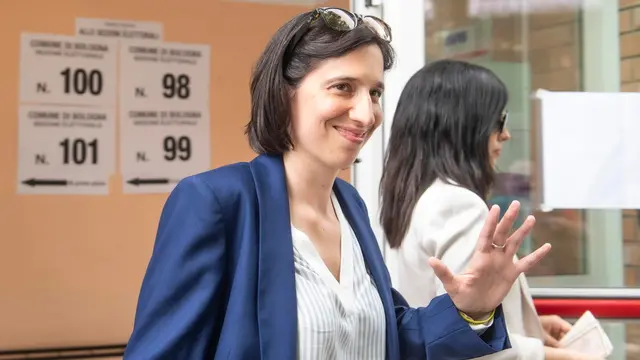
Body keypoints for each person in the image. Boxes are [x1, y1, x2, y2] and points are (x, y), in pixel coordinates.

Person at [123, 9, 551, 360]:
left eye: (375, 93)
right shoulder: (216, 202)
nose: (366, 115)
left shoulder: (350, 206)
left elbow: (387, 338)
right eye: (343, 88)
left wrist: (471, 310)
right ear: (284, 93)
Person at [379, 59, 596, 360]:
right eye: (499, 120)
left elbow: (451, 317)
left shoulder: (416, 199)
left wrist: (531, 326)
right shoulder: (458, 206)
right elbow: (464, 340)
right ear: (464, 126)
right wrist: (558, 356)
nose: (505, 135)